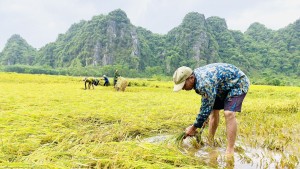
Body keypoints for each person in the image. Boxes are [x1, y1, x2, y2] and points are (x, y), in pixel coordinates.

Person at [173, 63, 250, 155]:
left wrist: (193, 128)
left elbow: (206, 107)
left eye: (183, 85)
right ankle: (210, 142)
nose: (183, 88)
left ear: (191, 78)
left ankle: (230, 150)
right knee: (213, 112)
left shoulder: (204, 83)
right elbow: (207, 104)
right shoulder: (198, 80)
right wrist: (203, 118)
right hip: (220, 86)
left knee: (229, 113)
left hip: (237, 83)